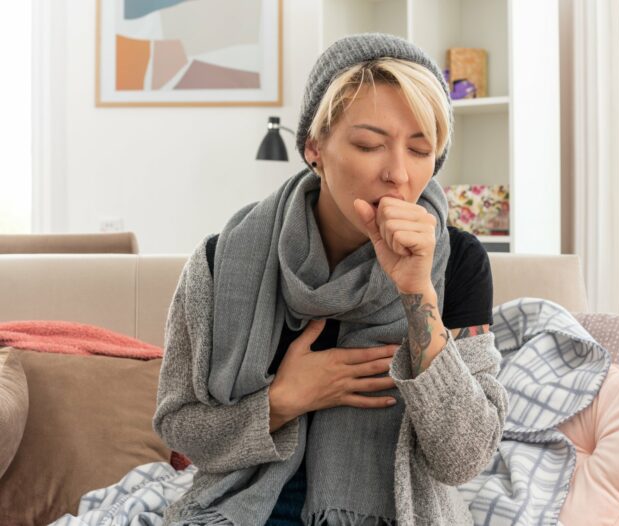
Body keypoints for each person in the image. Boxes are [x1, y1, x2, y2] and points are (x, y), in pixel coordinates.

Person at [152, 32, 508, 526]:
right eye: (369, 144)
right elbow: (180, 427)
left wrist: (417, 294)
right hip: (239, 510)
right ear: (314, 147)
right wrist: (281, 402)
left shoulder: (459, 262)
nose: (398, 174)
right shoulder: (219, 260)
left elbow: (463, 459)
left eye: (420, 149)